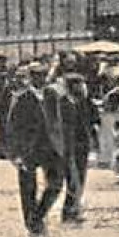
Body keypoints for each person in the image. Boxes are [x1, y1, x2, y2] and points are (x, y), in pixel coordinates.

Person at [7, 63, 65, 237]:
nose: (41, 79)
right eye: (37, 76)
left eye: (44, 75)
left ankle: (38, 216)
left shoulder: (51, 95)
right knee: (28, 189)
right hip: (29, 149)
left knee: (56, 184)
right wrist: (15, 153)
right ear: (31, 78)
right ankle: (33, 226)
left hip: (50, 147)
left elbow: (57, 121)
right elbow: (12, 127)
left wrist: (61, 144)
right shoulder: (22, 98)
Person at [47, 71, 96, 224]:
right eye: (78, 84)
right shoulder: (65, 104)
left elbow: (91, 120)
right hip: (71, 147)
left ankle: (72, 209)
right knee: (73, 179)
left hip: (82, 145)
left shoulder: (83, 101)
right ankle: (70, 211)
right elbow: (66, 129)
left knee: (79, 179)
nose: (82, 87)